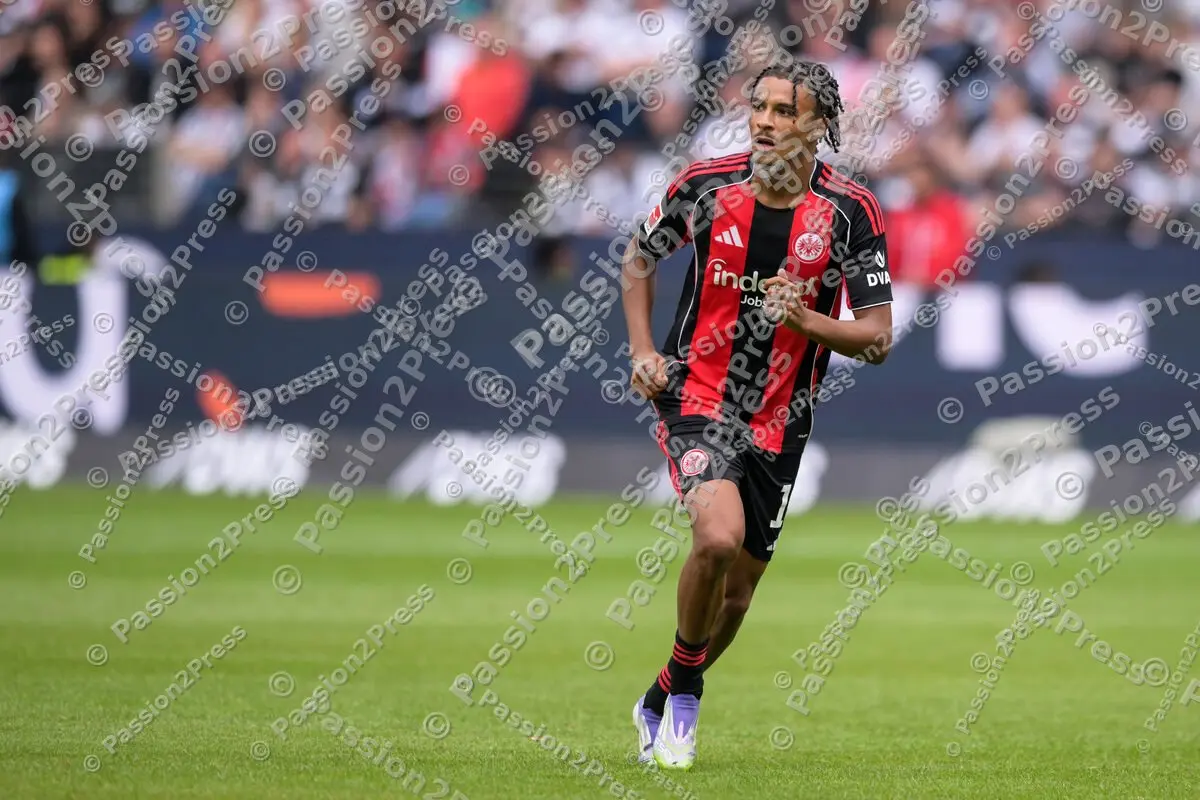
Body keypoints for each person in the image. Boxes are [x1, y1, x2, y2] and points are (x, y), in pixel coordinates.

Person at [620, 61, 895, 771]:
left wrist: (802, 315)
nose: (766, 121)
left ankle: (666, 689)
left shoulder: (851, 211)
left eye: (784, 110)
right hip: (697, 395)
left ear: (817, 124)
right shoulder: (705, 186)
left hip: (781, 417)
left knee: (737, 596)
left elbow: (877, 339)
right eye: (760, 107)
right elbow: (639, 256)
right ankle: (686, 706)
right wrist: (645, 350)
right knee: (716, 538)